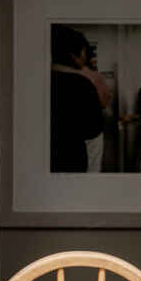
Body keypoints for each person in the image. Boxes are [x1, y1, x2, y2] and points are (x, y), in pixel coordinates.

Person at [49, 26, 110, 173]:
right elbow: (93, 133)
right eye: (84, 51)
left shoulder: (42, 79)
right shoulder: (81, 83)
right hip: (73, 158)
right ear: (73, 55)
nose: (86, 56)